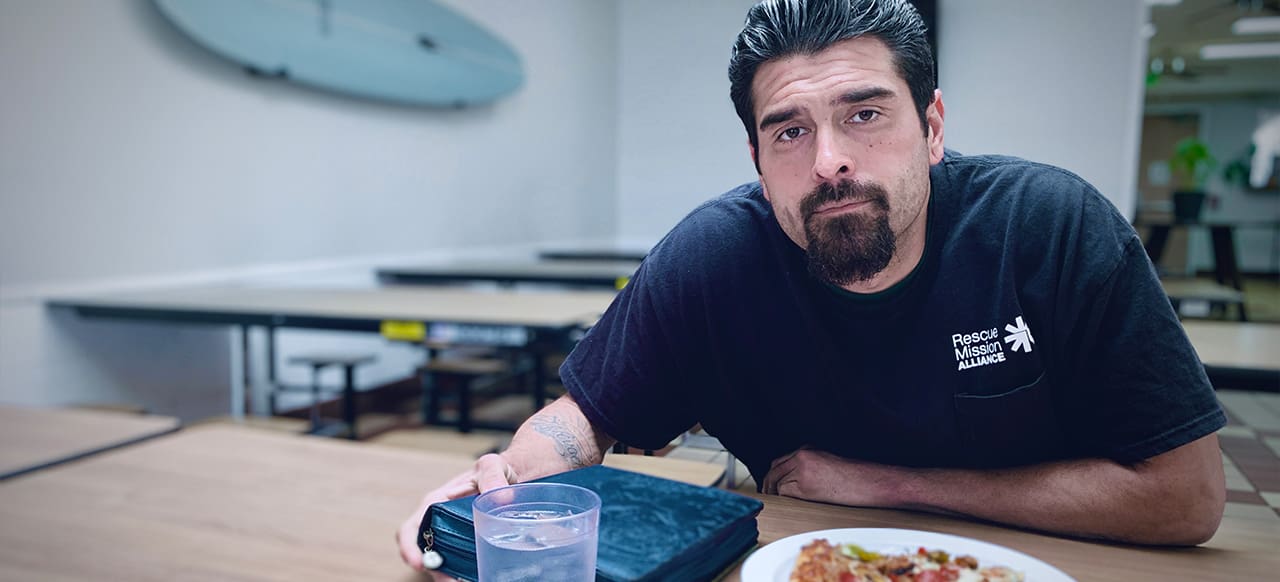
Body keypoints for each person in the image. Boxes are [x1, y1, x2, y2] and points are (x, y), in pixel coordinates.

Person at [398, 0, 1227, 572]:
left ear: (932, 128)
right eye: (789, 131)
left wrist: (882, 486)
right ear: (757, 163)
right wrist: (502, 497)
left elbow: (1187, 499)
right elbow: (580, 421)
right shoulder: (715, 256)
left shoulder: (1049, 228)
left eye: (864, 114)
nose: (828, 159)